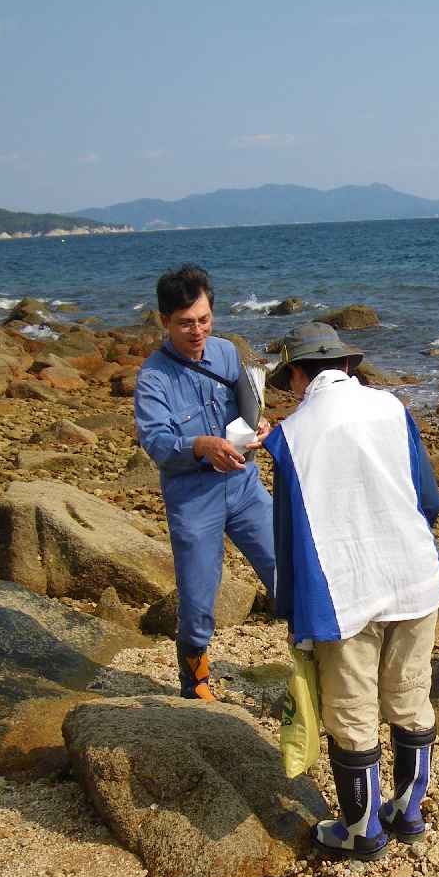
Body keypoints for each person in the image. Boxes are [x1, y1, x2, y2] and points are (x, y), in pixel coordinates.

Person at [264, 322, 439, 861]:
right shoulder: (393, 409)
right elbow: (428, 497)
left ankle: (362, 830)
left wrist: (291, 609)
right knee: (411, 693)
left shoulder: (291, 436)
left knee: (351, 709)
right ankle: (408, 811)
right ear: (346, 366)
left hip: (343, 589)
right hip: (413, 575)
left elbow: (288, 533)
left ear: (298, 375)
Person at [134, 264, 276, 700]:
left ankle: (314, 655)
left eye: (203, 319)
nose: (197, 331)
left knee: (286, 569)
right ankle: (194, 676)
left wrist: (260, 424)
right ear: (164, 322)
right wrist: (200, 445)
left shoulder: (227, 353)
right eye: (185, 323)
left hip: (245, 485)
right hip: (193, 496)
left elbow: (246, 406)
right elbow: (157, 442)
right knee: (198, 598)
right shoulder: (153, 378)